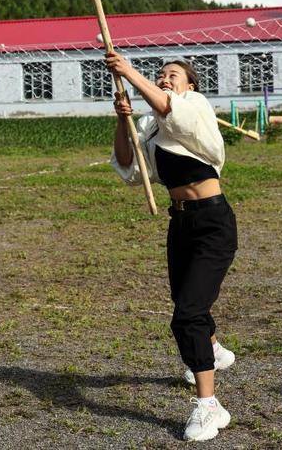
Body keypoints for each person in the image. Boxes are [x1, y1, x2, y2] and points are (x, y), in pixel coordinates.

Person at [106, 52, 238, 443]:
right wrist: (123, 120)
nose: (164, 79)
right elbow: (130, 168)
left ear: (190, 85)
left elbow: (171, 110)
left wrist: (130, 72)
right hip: (180, 223)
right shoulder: (149, 126)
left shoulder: (195, 107)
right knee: (185, 300)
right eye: (160, 74)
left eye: (173, 75)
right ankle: (212, 350)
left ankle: (209, 406)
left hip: (213, 222)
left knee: (187, 314)